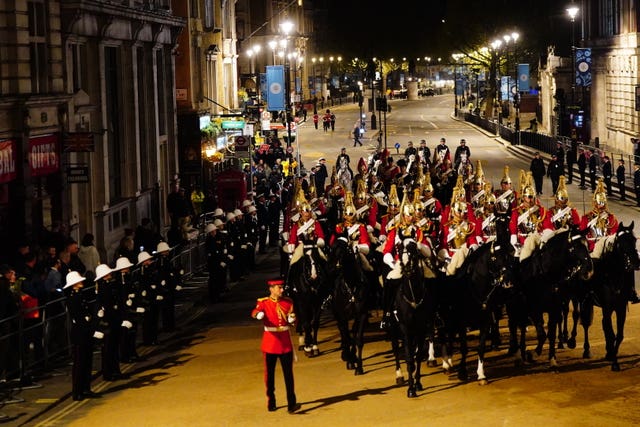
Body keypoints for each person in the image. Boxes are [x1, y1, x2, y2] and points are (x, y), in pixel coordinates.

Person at [251, 278, 300, 413]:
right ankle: (271, 400)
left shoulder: (288, 302)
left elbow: (293, 319)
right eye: (279, 288)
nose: (282, 290)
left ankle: (292, 403)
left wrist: (292, 319)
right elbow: (255, 311)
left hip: (285, 341)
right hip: (271, 342)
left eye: (282, 287)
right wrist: (258, 315)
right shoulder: (264, 302)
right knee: (270, 375)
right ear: (271, 289)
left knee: (288, 375)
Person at [64, 271, 102, 401]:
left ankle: (86, 388)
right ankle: (77, 391)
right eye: (79, 281)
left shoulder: (80, 295)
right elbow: (80, 319)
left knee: (87, 362)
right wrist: (92, 331)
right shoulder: (72, 298)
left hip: (85, 333)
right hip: (80, 334)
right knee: (79, 364)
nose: (81, 282)